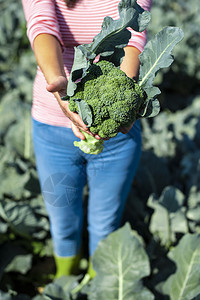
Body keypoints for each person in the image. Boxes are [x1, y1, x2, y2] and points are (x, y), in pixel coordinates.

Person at [21, 0, 152, 279]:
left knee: (105, 224)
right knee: (62, 222)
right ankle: (65, 282)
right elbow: (42, 25)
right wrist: (59, 85)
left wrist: (124, 99)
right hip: (52, 128)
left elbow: (134, 34)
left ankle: (98, 285)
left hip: (116, 138)